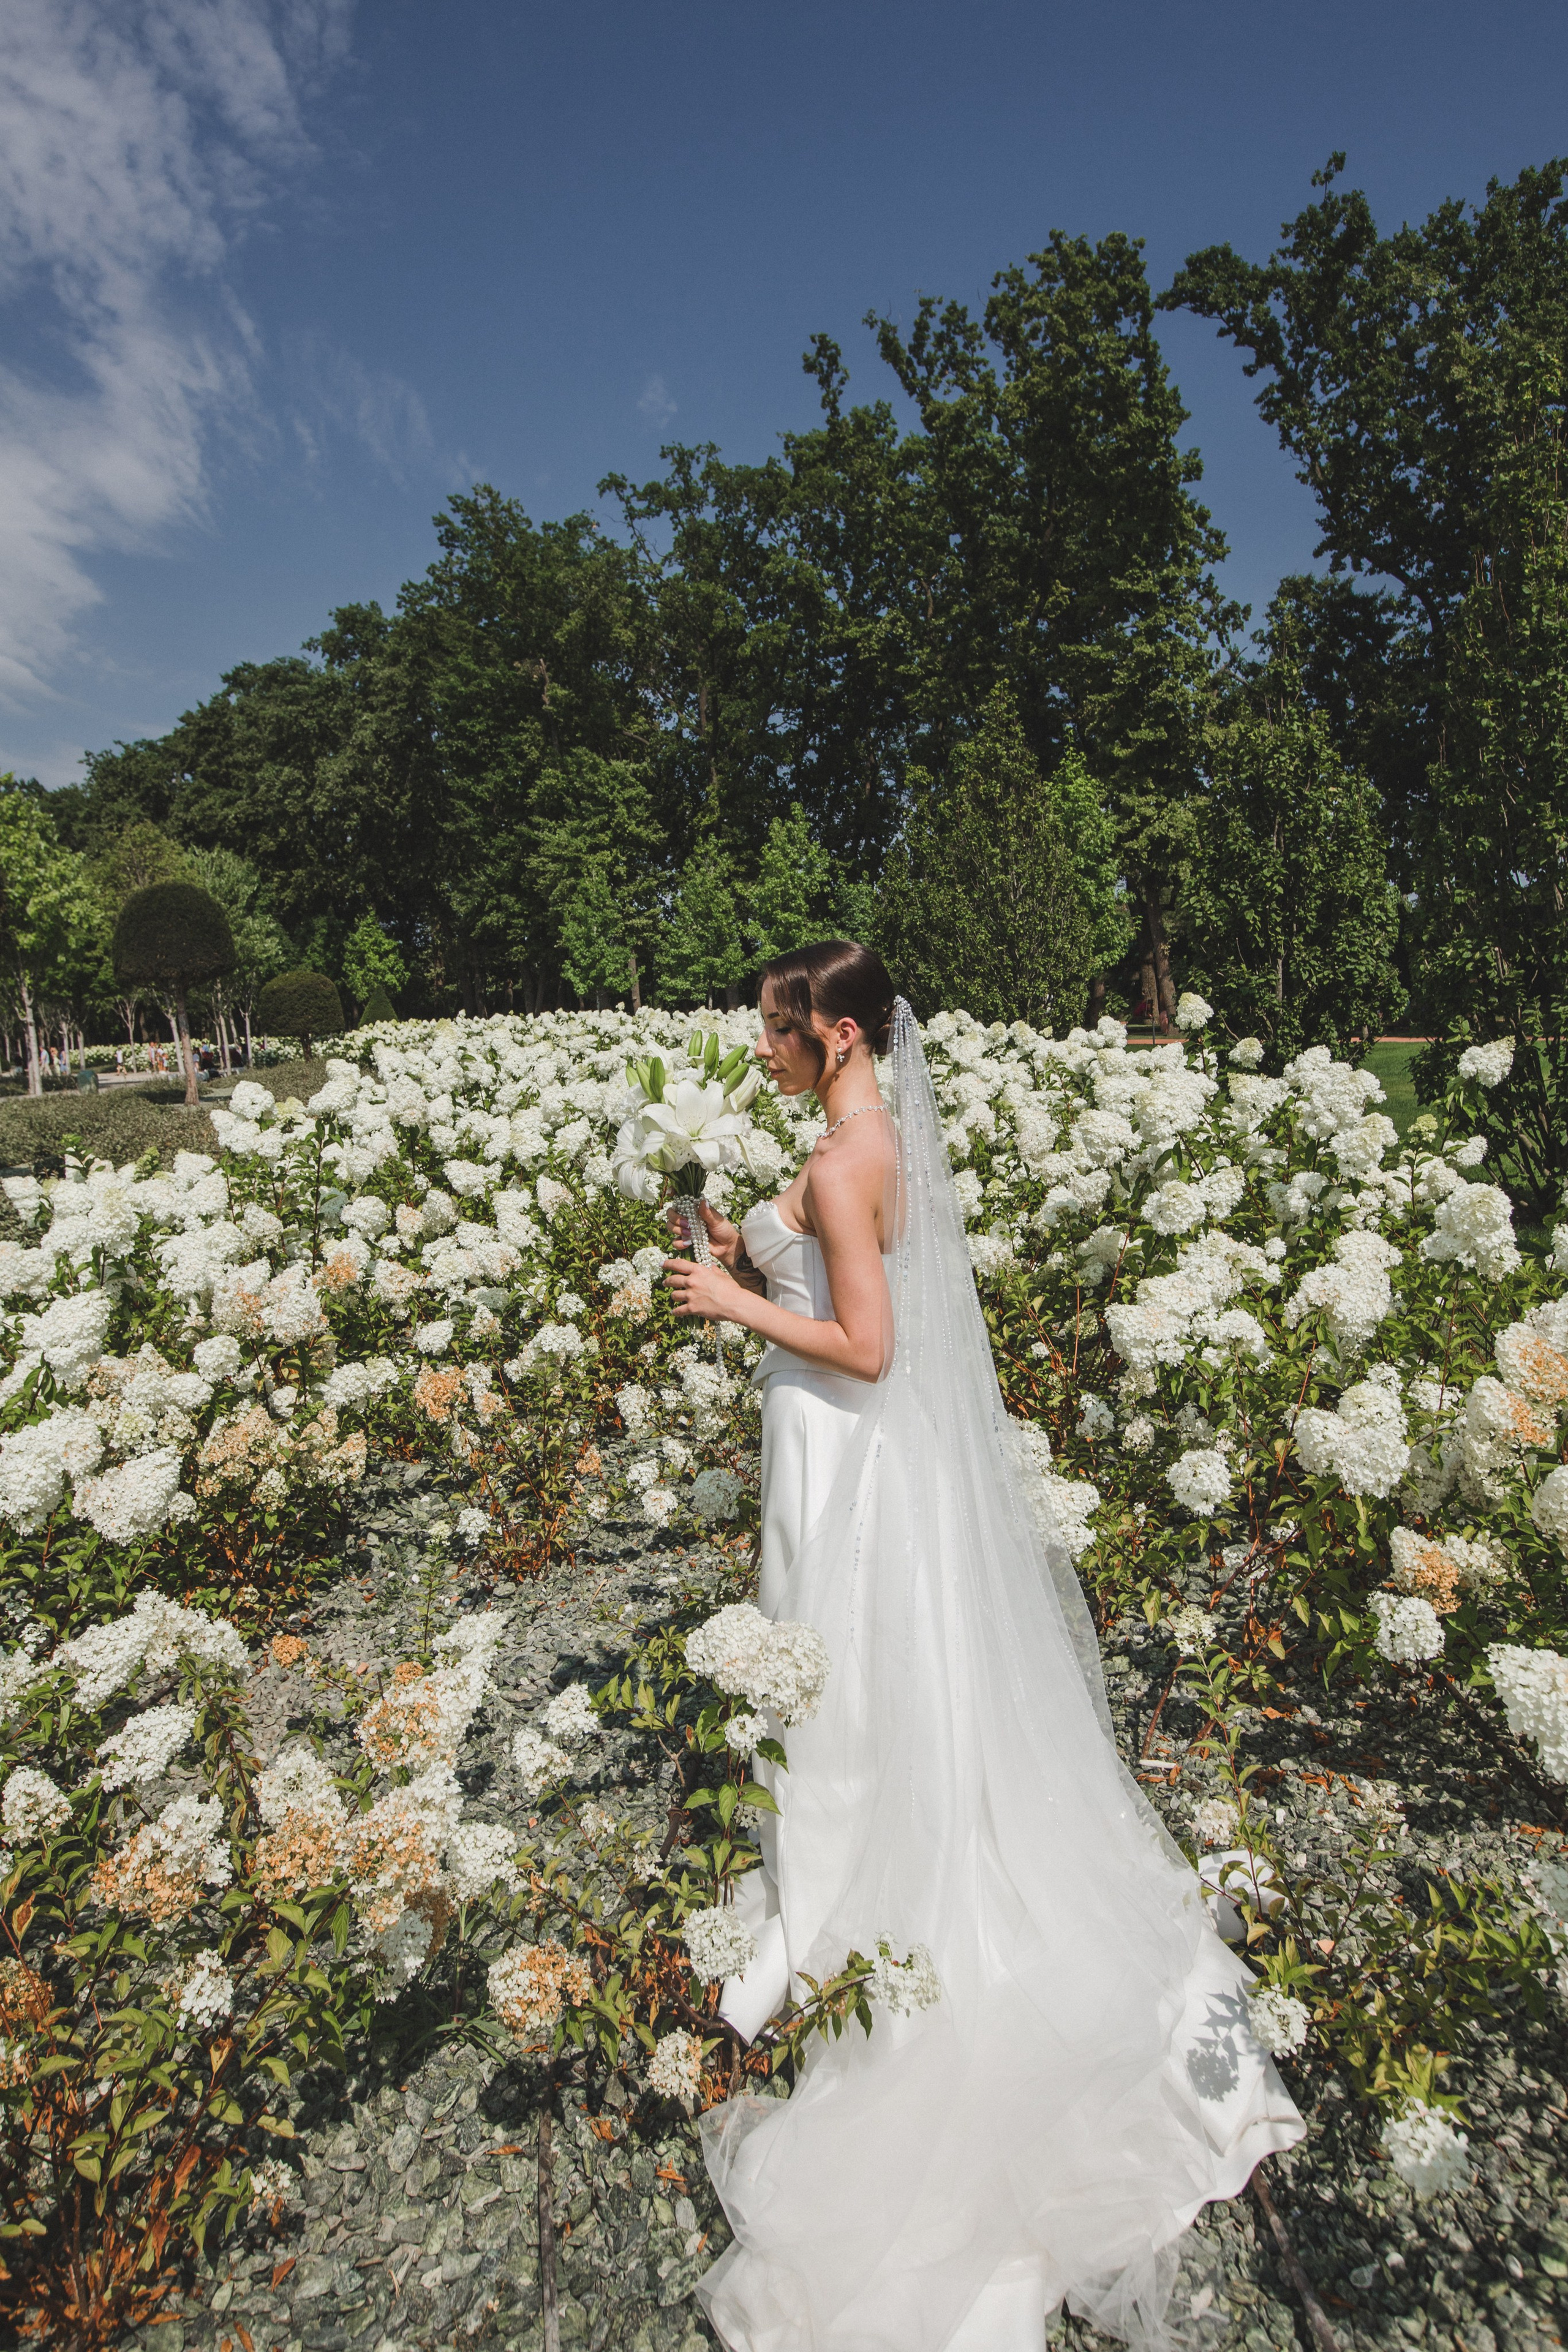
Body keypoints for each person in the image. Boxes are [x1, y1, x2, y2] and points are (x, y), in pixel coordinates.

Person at [662, 940, 1302, 2352]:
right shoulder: (860, 1144)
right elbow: (835, 1276)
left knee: (841, 1682)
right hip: (835, 1449)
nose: (756, 1047)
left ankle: (853, 1907)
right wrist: (743, 1249)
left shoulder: (846, 1160)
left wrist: (731, 1303)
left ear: (836, 1033)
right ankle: (839, 1881)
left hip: (842, 1444)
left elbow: (868, 1346)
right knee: (849, 1680)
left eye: (773, 1029)